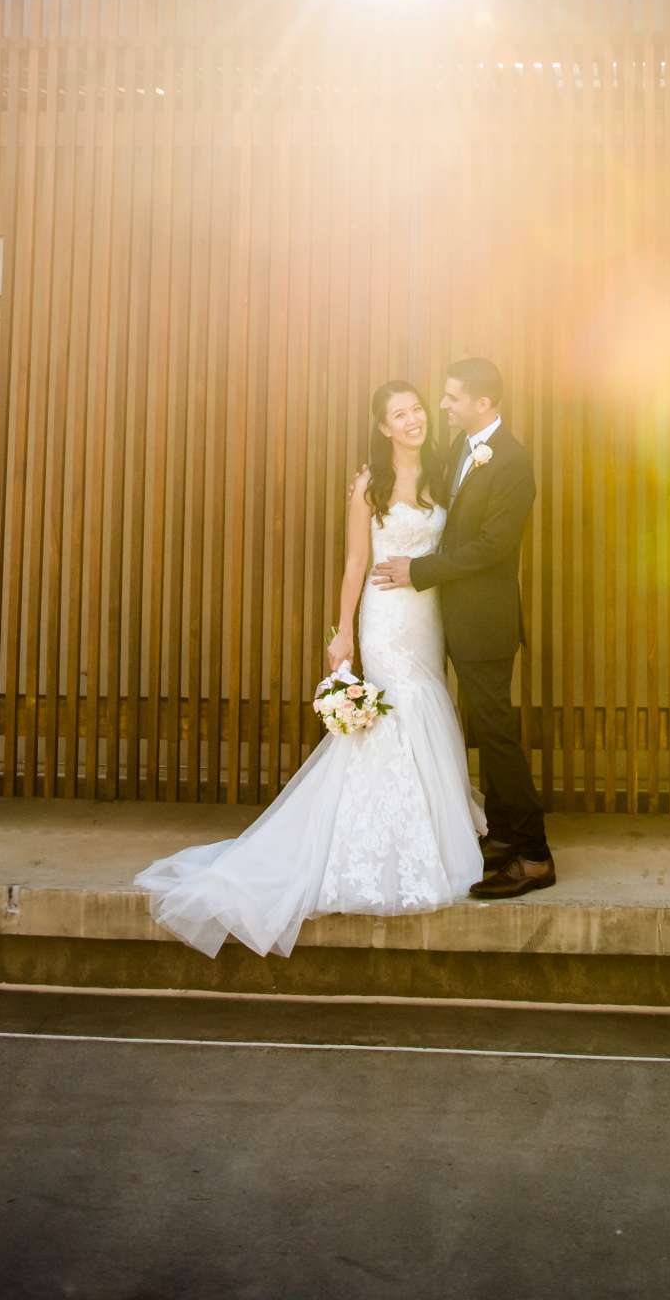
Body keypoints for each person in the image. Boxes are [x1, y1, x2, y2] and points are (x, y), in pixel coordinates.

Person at [132, 380, 484, 958]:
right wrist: (343, 632)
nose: (414, 419)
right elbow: (354, 561)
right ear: (384, 427)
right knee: (399, 713)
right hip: (386, 618)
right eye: (400, 414)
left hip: (429, 615)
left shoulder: (447, 470)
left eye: (417, 408)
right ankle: (372, 846)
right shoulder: (368, 486)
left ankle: (430, 834)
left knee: (430, 708)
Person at [369, 355, 555, 898]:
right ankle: (501, 837)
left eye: (452, 398)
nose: (443, 406)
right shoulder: (458, 452)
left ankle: (535, 854)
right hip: (451, 621)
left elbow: (493, 547)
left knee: (498, 737)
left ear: (484, 403)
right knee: (486, 731)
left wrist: (418, 571)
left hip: (487, 622)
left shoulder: (512, 462)